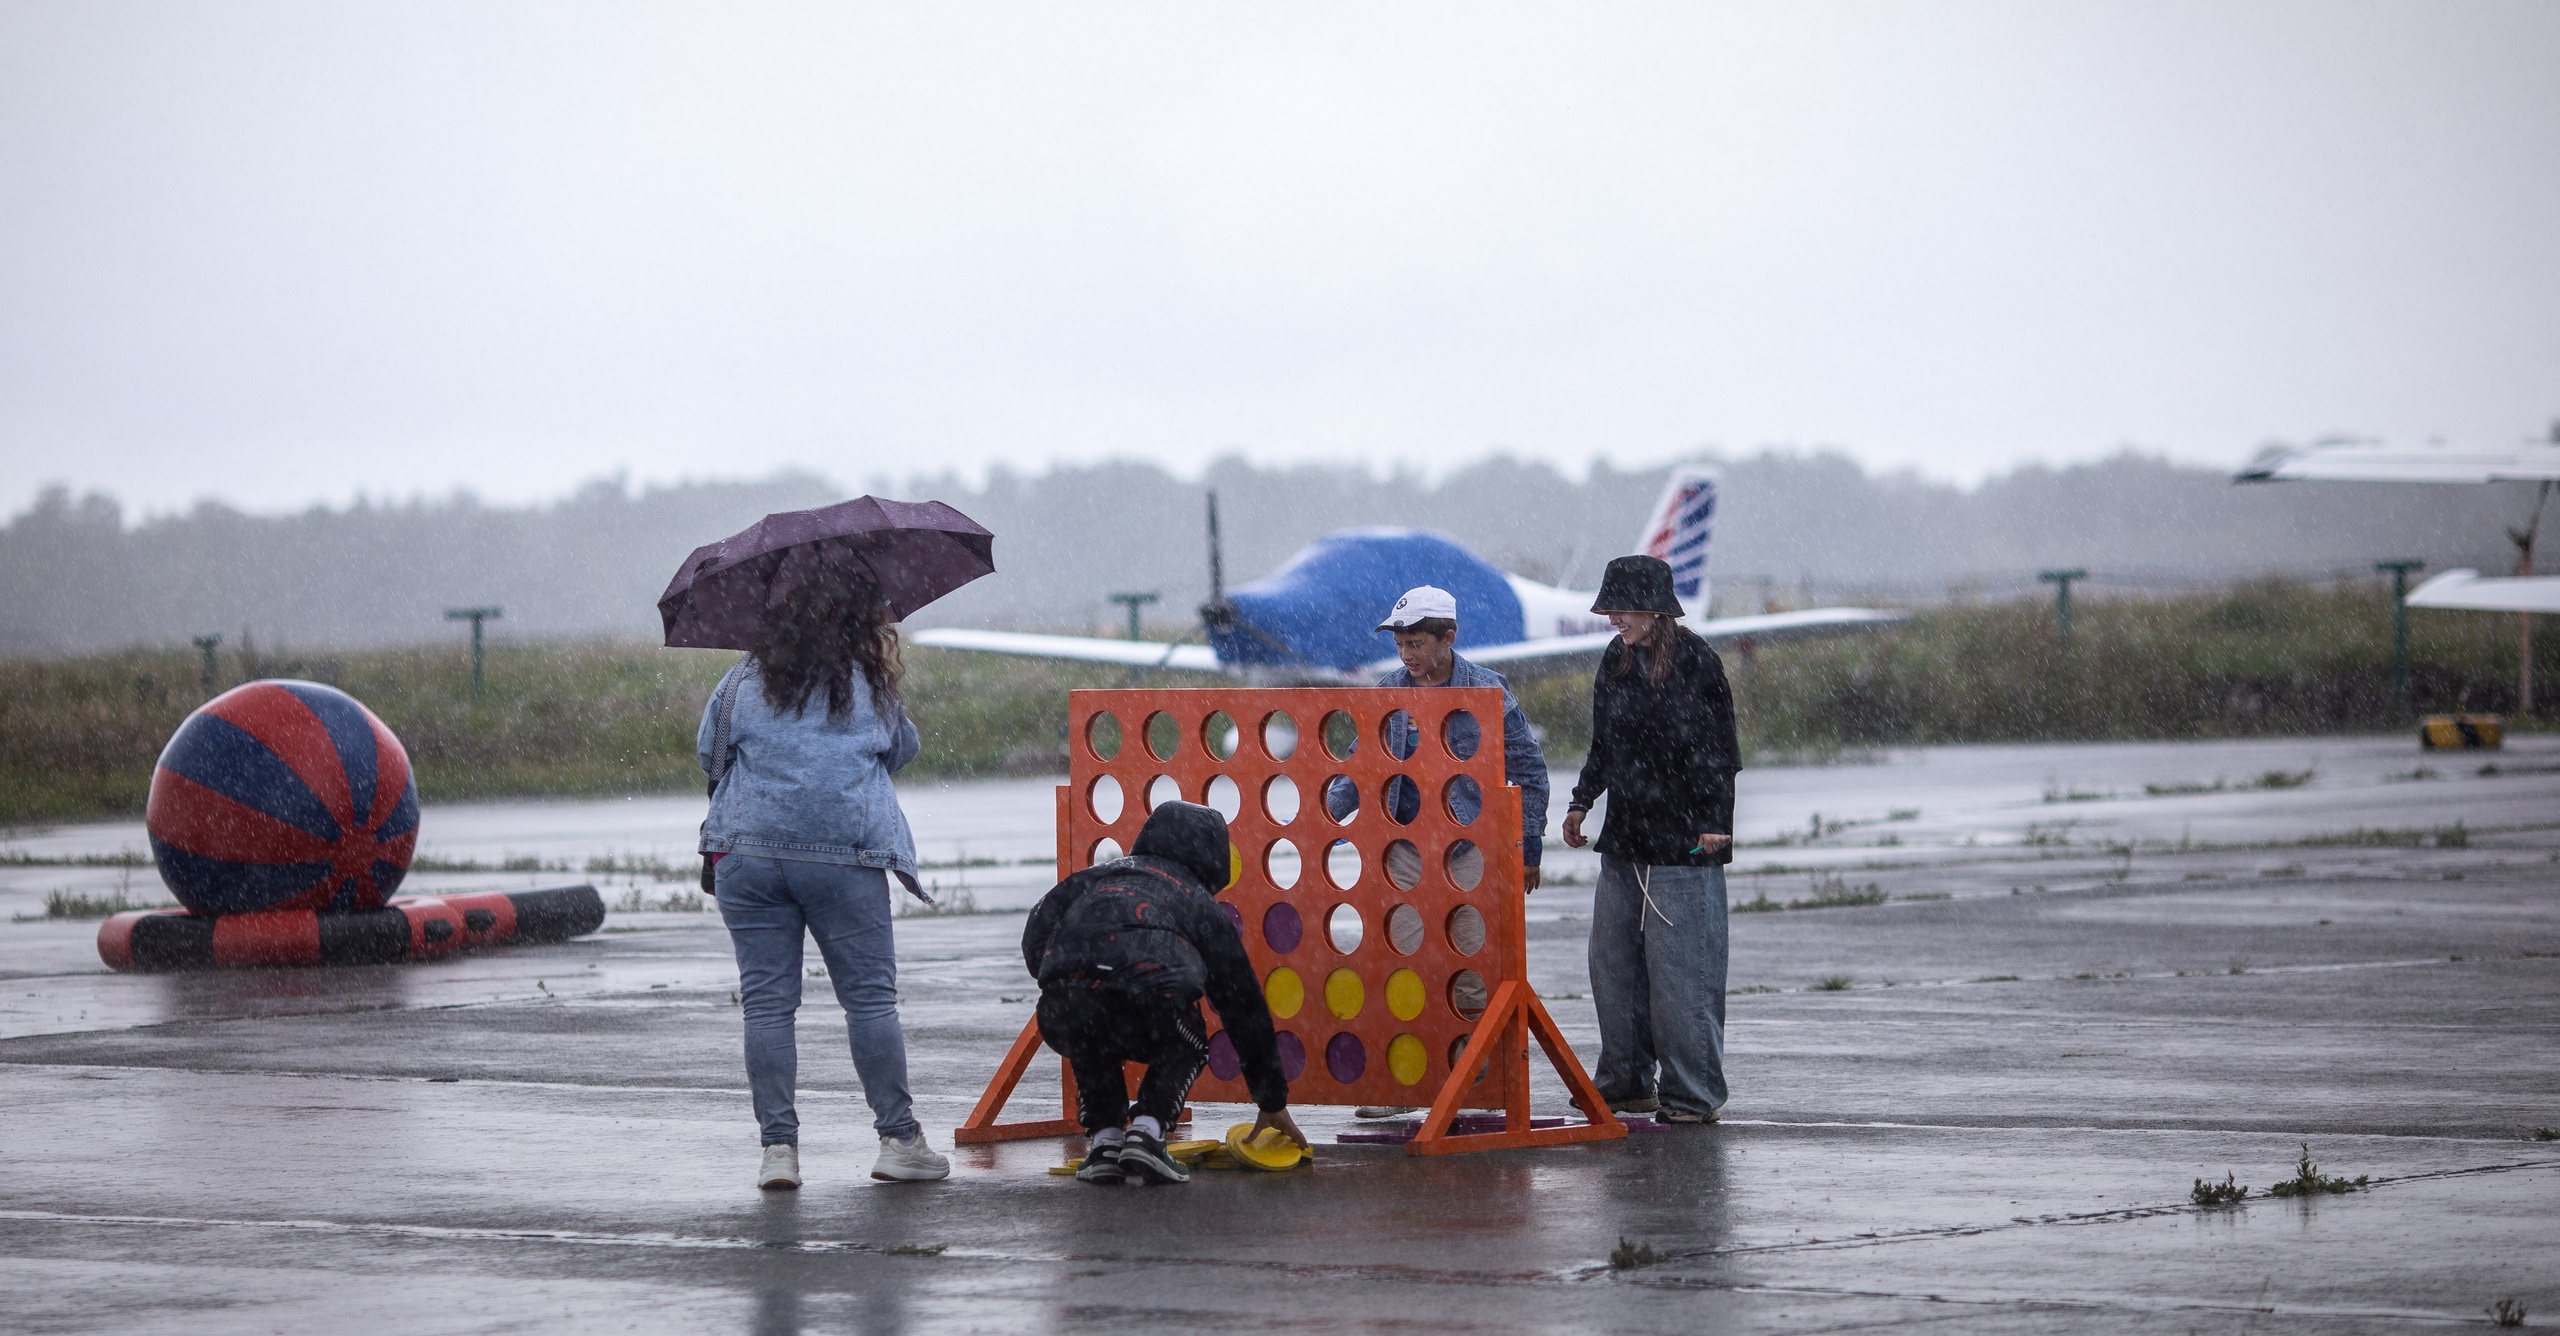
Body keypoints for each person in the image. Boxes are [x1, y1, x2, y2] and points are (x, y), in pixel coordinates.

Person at [698, 552, 950, 1189]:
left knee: (767, 1006)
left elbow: (709, 751)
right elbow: (902, 748)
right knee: (868, 1002)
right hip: (845, 858)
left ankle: (778, 1151)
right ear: (859, 620)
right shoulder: (866, 684)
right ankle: (898, 1140)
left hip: (748, 857)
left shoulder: (741, 678)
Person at [1323, 584, 1551, 1119]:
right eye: (1401, 645)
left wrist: (1530, 846)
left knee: (1469, 964)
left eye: (1418, 644)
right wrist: (1325, 818)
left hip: (1466, 848)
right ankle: (1406, 1082)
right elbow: (1360, 766)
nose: (1407, 655)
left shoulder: (1489, 690)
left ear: (1449, 637)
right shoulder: (1388, 691)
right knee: (1406, 963)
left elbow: (1528, 768)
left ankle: (1474, 1079)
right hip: (1404, 848)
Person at [1023, 801, 1305, 1186]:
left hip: (1060, 1011)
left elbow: (1037, 928)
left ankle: (1105, 1142)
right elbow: (1243, 1005)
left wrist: (1064, 976)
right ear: (1213, 861)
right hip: (1149, 1005)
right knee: (1188, 1040)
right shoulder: (1199, 902)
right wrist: (1271, 1099)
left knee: (1090, 1030)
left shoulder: (1094, 876)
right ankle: (1148, 1131)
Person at [1559, 555, 1740, 1125]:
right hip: (1624, 840)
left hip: (1686, 846)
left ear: (1656, 611)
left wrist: (1715, 820)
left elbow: (1720, 751)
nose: (1614, 619)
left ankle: (1693, 1095)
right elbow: (1604, 745)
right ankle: (1627, 1083)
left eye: (1623, 610)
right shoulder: (1614, 660)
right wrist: (1581, 801)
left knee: (1683, 977)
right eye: (1609, 609)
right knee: (1613, 969)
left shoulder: (1697, 660)